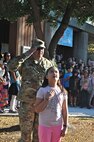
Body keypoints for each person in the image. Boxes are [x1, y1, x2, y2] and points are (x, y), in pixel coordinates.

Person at [8, 38, 52, 142]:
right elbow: (10, 66)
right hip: (27, 103)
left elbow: (54, 80)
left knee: (39, 135)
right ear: (33, 49)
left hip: (41, 103)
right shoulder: (25, 61)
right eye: (38, 48)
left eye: (42, 49)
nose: (40, 51)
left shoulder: (48, 63)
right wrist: (27, 53)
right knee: (26, 134)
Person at [35, 66, 68, 142]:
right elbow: (36, 109)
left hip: (58, 126)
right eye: (51, 72)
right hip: (45, 126)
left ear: (59, 75)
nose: (54, 73)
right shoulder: (42, 90)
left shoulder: (63, 91)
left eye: (56, 72)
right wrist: (46, 99)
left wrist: (65, 126)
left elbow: (65, 111)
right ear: (46, 76)